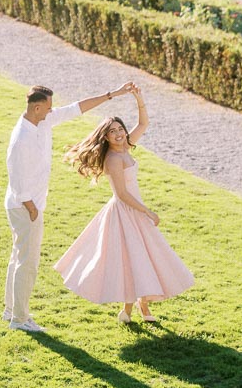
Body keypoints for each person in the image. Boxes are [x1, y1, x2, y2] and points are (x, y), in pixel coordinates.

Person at [55, 85, 194, 322]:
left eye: (120, 129)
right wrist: (147, 211)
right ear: (105, 137)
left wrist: (139, 99)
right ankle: (133, 308)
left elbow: (143, 125)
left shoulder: (126, 147)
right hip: (124, 212)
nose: (119, 134)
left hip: (134, 209)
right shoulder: (112, 159)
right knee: (132, 259)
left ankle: (136, 307)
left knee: (142, 257)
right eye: (113, 132)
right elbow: (121, 194)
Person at [5, 81, 135, 332]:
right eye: (49, 107)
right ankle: (19, 319)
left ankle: (11, 310)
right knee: (27, 263)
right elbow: (16, 178)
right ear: (37, 108)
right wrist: (32, 209)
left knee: (18, 257)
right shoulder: (22, 138)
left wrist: (112, 94)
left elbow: (78, 108)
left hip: (27, 205)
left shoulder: (43, 121)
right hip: (24, 207)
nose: (54, 111)